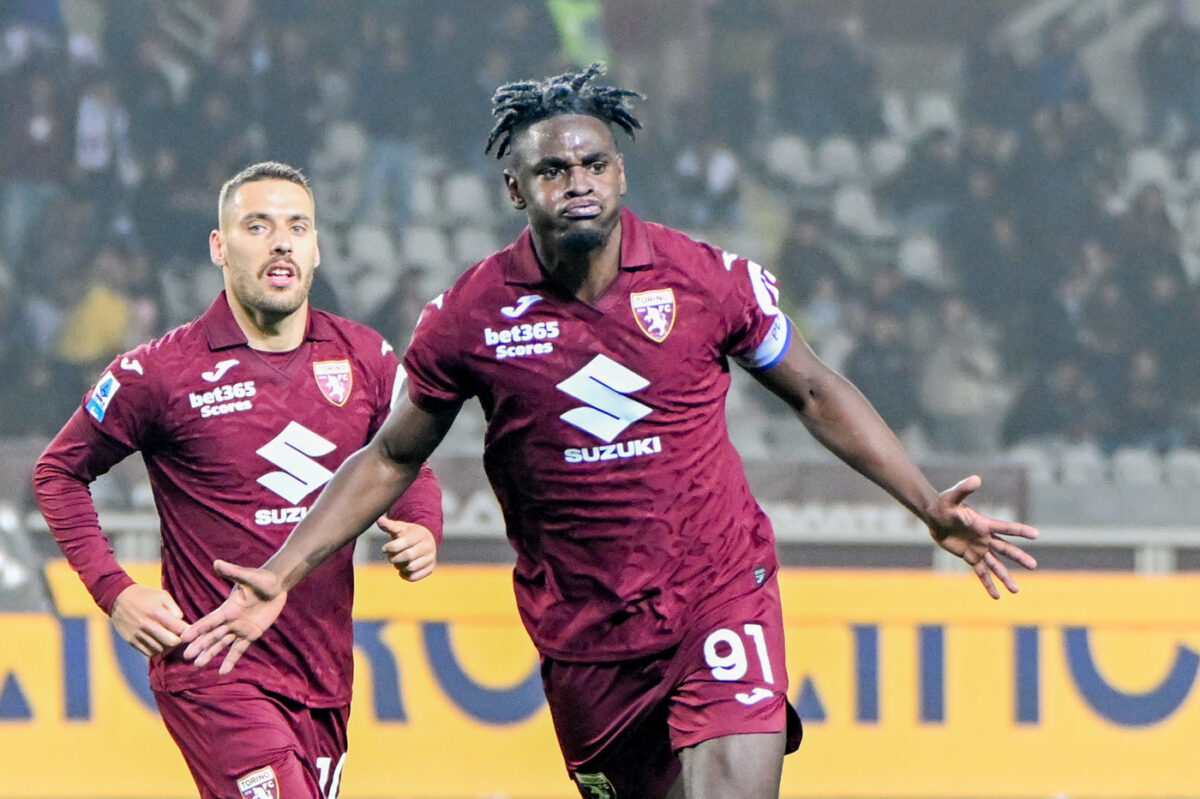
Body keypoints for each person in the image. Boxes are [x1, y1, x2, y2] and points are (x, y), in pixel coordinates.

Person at [180, 67, 1038, 799]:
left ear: (621, 173)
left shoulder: (704, 279)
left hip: (717, 593)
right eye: (552, 170)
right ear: (515, 189)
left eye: (593, 163)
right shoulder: (470, 316)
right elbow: (394, 453)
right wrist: (284, 570)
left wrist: (926, 502)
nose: (577, 182)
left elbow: (814, 389)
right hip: (586, 638)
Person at [31, 161, 443, 799]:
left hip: (321, 672)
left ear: (316, 249)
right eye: (258, 226)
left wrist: (422, 523)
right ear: (219, 247)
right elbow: (58, 472)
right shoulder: (158, 371)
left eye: (297, 227)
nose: (281, 242)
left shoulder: (365, 357)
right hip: (214, 670)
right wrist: (115, 591)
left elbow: (405, 460)